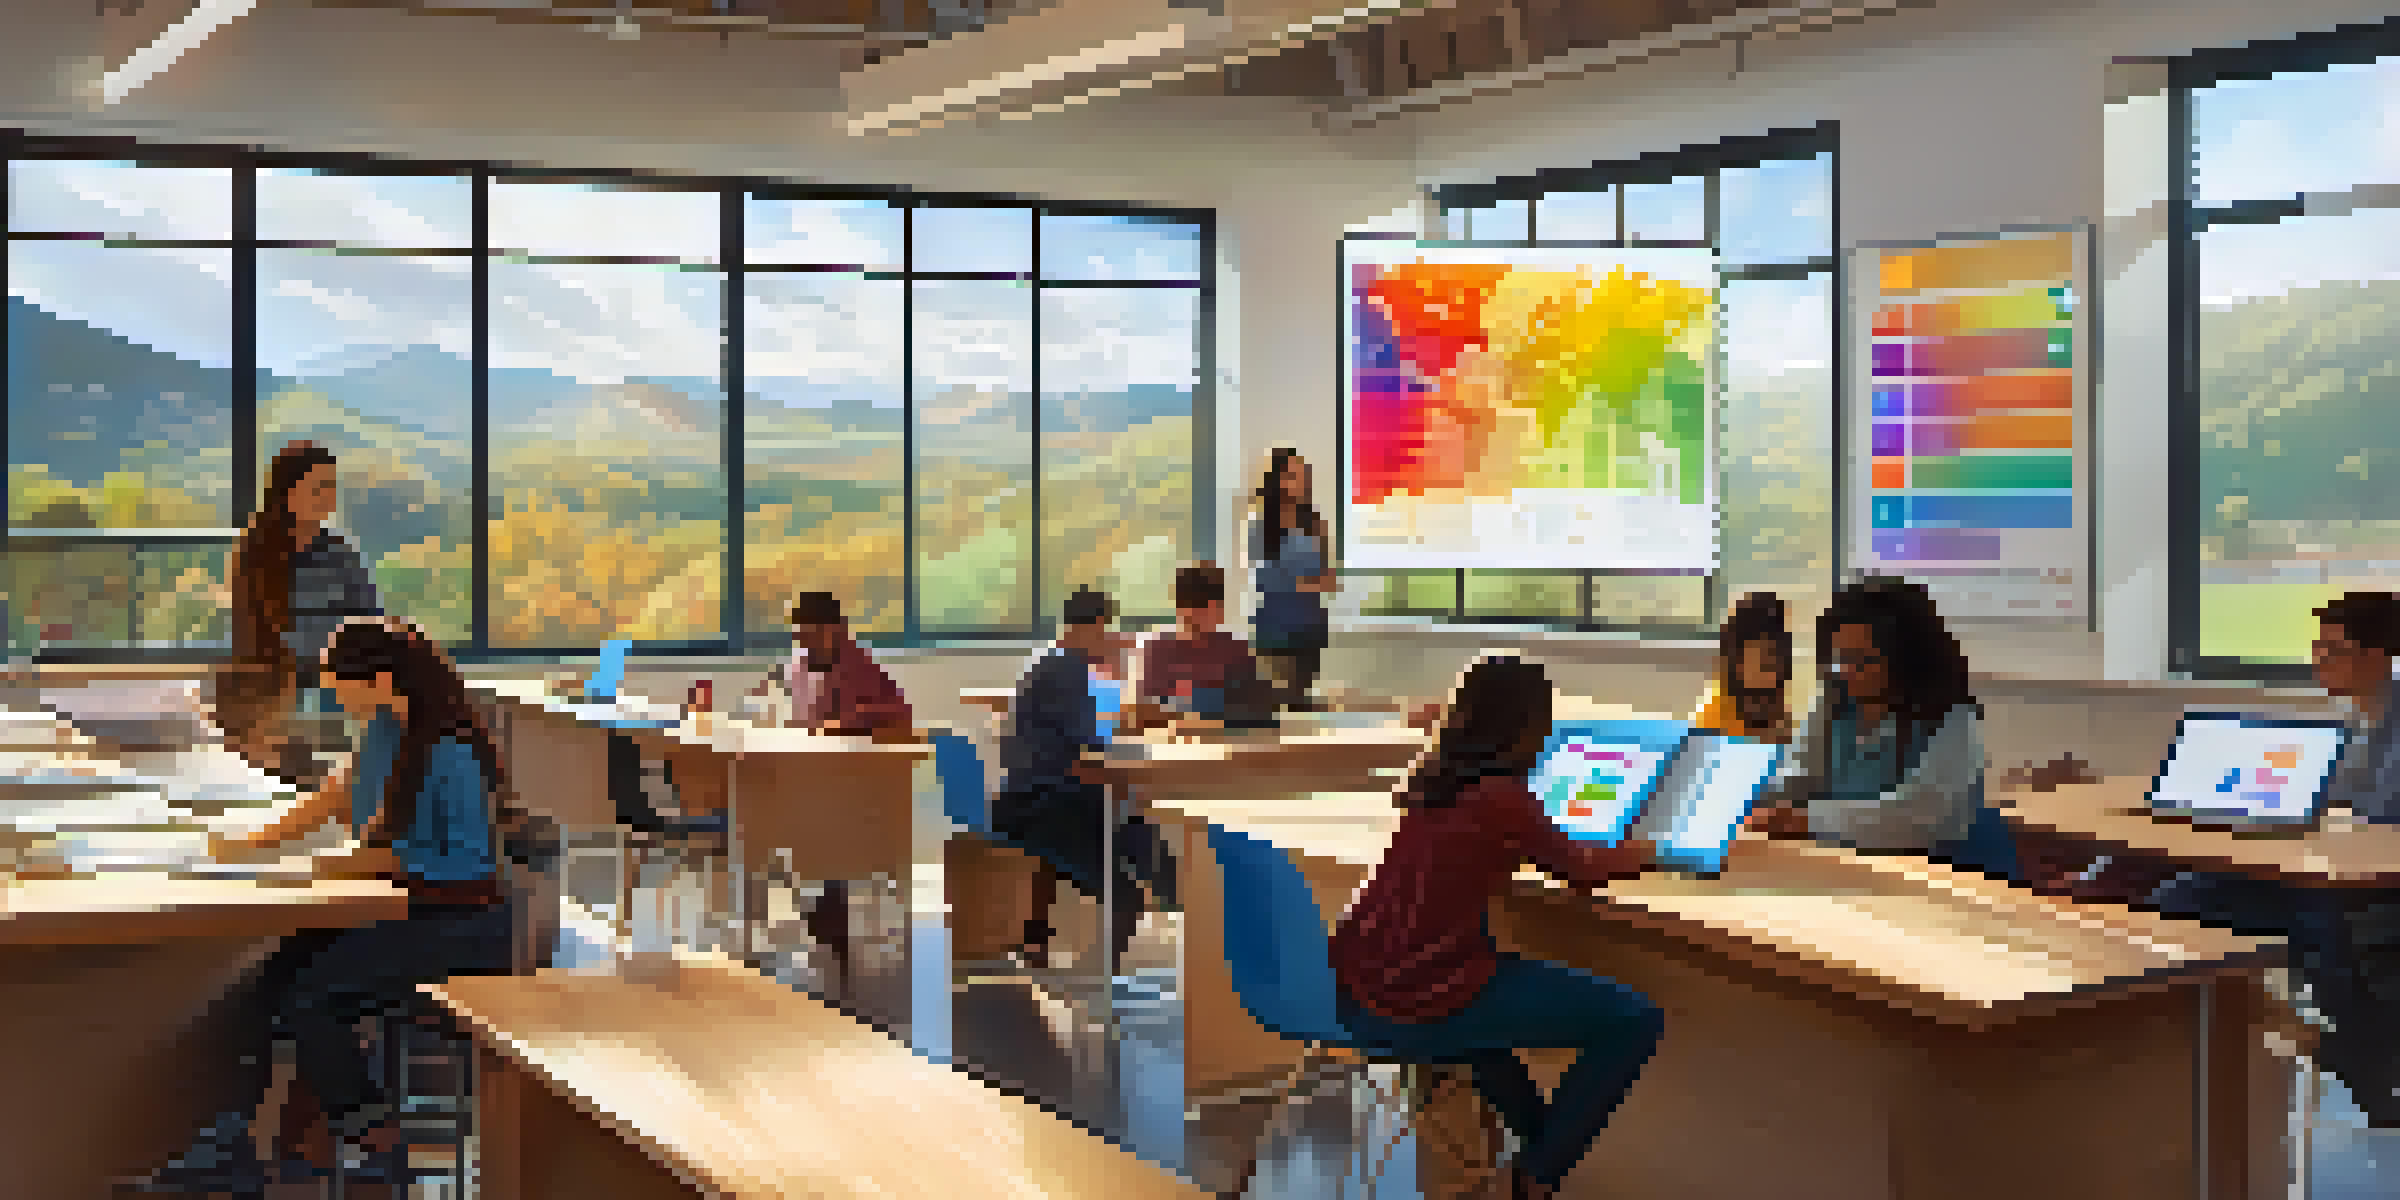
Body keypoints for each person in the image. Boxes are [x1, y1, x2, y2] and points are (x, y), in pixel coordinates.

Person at [131, 619, 514, 1196]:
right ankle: (235, 1142)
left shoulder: (450, 749)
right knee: (261, 986)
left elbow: (467, 866)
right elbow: (330, 799)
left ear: (383, 680)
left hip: (459, 925)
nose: (333, 695)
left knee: (313, 998)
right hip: (396, 909)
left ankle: (377, 1143)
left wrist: (359, 863)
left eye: (341, 685)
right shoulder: (384, 730)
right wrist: (230, 845)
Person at [1329, 655, 1667, 1200]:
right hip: (1422, 994)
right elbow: (1580, 872)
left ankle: (1533, 1162)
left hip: (1360, 985)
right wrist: (1655, 851)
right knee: (1635, 1020)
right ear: (1527, 729)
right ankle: (1534, 1178)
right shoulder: (1501, 797)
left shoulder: (1427, 784)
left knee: (1489, 1039)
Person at [2146, 591, 2400, 1126]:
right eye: (2317, 650)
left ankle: (2367, 1075)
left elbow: (2380, 820)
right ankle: (2178, 1056)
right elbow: (2337, 801)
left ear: (2377, 656)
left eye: (2334, 650)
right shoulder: (2351, 722)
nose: (2319, 663)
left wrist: (2326, 817)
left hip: (2361, 890)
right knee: (2179, 897)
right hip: (2315, 873)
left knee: (2326, 926)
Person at [668, 591, 913, 976]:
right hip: (799, 774)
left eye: (813, 635)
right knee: (750, 823)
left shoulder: (862, 668)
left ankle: (824, 926)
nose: (806, 644)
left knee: (809, 838)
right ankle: (757, 925)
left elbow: (899, 722)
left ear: (838, 630)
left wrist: (843, 724)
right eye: (801, 636)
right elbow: (770, 704)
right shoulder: (796, 664)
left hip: (849, 787)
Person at [1748, 577, 2010, 879]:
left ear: (1906, 658)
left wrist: (1807, 821)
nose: (1847, 672)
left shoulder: (1952, 717)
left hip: (1957, 879)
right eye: (1840, 659)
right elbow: (1800, 773)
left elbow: (1919, 816)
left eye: (1863, 660)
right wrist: (1742, 796)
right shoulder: (1834, 701)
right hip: (1865, 872)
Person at [991, 587, 1172, 969]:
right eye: (1108, 631)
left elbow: (1083, 744)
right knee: (1137, 869)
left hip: (1035, 797)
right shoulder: (1068, 669)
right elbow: (1091, 744)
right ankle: (1101, 988)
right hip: (1043, 807)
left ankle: (1178, 893)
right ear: (1095, 627)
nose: (1112, 640)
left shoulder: (1050, 661)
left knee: (1139, 833)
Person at [213, 441, 384, 787]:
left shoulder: (343, 554)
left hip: (336, 680)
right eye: (319, 487)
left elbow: (371, 624)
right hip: (274, 684)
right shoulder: (255, 550)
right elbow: (249, 635)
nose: (329, 497)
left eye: (333, 487)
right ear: (288, 492)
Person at [1130, 562, 1270, 730]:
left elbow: (1259, 710)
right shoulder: (1160, 651)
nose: (1214, 614)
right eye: (1202, 607)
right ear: (1181, 609)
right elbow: (1144, 714)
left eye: (1217, 607)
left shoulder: (1236, 650)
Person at [1248, 448, 1336, 711]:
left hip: (1310, 626)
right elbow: (1266, 579)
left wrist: (1304, 582)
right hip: (1275, 627)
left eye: (1301, 474)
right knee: (1273, 703)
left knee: (1301, 703)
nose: (1299, 480)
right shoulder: (1261, 524)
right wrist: (1306, 583)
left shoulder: (1315, 522)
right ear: (1277, 480)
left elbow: (1327, 576)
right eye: (1292, 474)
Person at [1690, 591, 1795, 743]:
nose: (1773, 675)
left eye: (1777, 663)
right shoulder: (1713, 721)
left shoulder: (1776, 712)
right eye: (1764, 665)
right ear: (1736, 662)